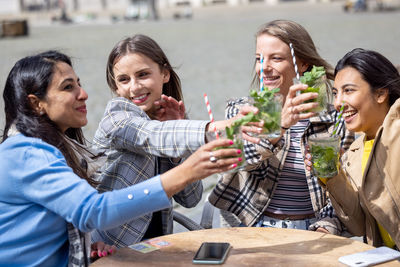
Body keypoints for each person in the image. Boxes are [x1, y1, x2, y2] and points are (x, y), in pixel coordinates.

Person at [0, 50, 242, 266]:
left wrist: (83, 248)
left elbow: (191, 198)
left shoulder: (55, 148)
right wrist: (209, 137)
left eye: (79, 84)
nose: (83, 94)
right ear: (37, 104)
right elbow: (93, 210)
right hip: (121, 244)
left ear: (164, 75)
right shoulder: (28, 153)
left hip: (142, 247)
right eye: (68, 87)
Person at [90, 34, 261, 247]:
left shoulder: (168, 125)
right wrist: (223, 126)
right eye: (124, 79)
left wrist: (177, 144)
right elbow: (150, 135)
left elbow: (191, 199)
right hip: (110, 248)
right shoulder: (116, 116)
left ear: (165, 74)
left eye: (143, 75)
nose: (134, 87)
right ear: (115, 87)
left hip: (153, 248)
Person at [209, 20, 354, 234]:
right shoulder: (240, 111)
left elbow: (344, 190)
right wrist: (280, 125)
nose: (264, 68)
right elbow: (238, 163)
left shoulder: (335, 120)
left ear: (303, 64)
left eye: (276, 58)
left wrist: (327, 227)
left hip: (314, 230)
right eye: (259, 59)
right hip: (253, 228)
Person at [305, 48, 400, 248]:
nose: (338, 103)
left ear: (381, 93)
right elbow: (358, 225)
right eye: (335, 93)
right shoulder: (356, 151)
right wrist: (332, 175)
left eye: (348, 90)